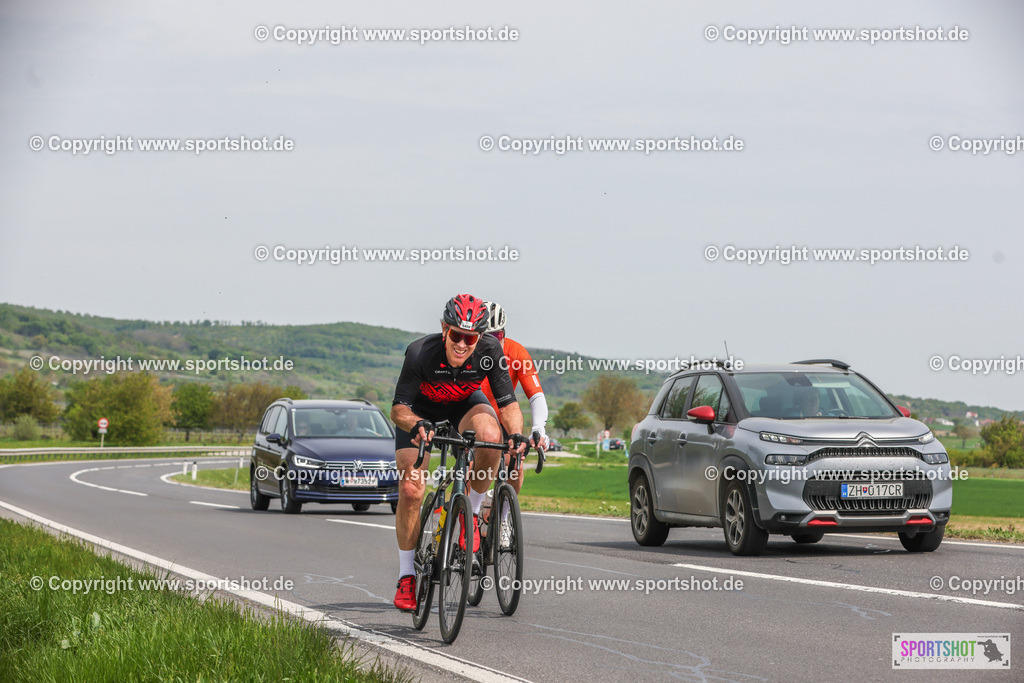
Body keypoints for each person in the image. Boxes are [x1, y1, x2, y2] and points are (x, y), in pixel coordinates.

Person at [390, 294, 527, 612]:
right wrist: (415, 424)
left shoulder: (490, 351)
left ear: (480, 337)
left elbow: (508, 404)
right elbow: (398, 409)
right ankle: (406, 576)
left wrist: (516, 434)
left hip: (463, 405)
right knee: (410, 489)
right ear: (444, 329)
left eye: (471, 338)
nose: (463, 344)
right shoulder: (420, 352)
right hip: (420, 412)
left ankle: (471, 515)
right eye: (456, 335)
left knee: (491, 437)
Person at [478, 302, 549, 546]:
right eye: (486, 336)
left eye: (497, 336)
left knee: (515, 462)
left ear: (504, 334)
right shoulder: (468, 353)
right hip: (472, 416)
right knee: (472, 467)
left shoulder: (516, 352)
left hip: (504, 417)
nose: (492, 342)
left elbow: (536, 396)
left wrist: (539, 429)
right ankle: (470, 520)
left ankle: (503, 517)